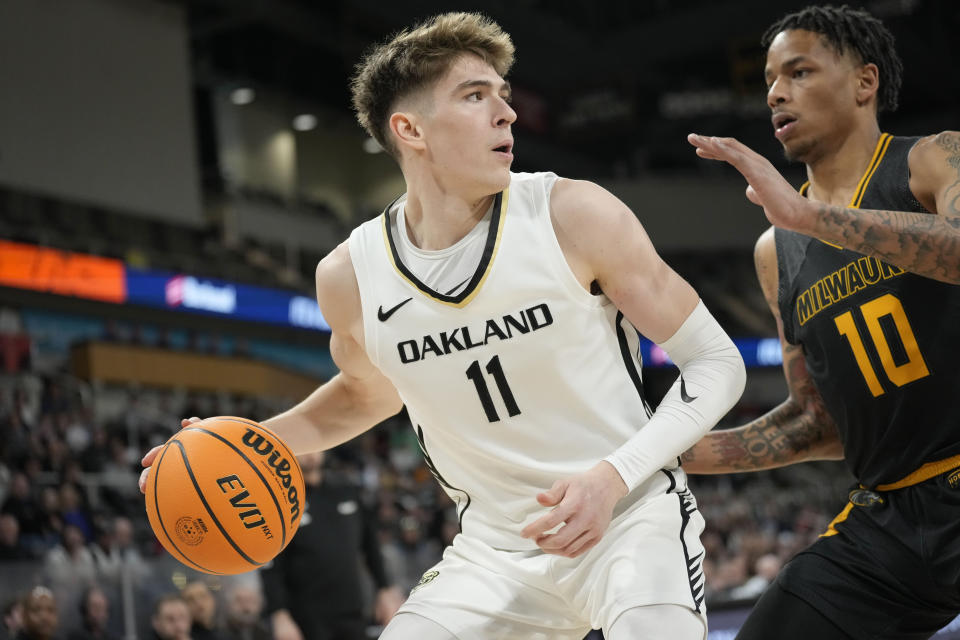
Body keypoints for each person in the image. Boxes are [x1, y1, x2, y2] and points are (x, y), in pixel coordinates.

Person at [142, 12, 746, 639]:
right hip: (494, 552)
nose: (506, 113)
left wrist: (613, 477)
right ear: (409, 129)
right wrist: (236, 447)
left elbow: (716, 362)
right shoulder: (350, 276)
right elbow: (366, 393)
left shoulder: (571, 214)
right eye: (475, 95)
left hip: (629, 522)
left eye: (503, 96)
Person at [684, 5, 960, 639]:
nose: (777, 92)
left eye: (799, 71)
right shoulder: (773, 254)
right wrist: (658, 454)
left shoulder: (932, 159)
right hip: (889, 518)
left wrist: (808, 217)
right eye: (771, 82)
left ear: (864, 83)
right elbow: (817, 423)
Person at [261, 451, 403, 640]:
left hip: (352, 608)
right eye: (303, 446)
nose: (310, 453)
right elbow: (271, 565)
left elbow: (370, 544)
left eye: (314, 445)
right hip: (306, 617)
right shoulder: (279, 501)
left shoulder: (346, 488)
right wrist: (279, 614)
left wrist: (384, 588)